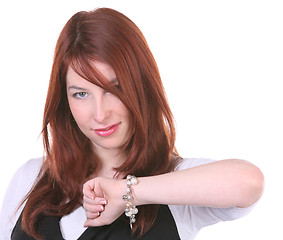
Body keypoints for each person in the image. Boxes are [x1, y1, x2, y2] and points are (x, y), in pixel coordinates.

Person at [0, 7, 264, 240]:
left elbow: (248, 182)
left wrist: (128, 192)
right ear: (64, 100)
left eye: (114, 89)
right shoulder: (31, 178)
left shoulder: (176, 184)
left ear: (142, 86)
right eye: (81, 94)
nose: (100, 114)